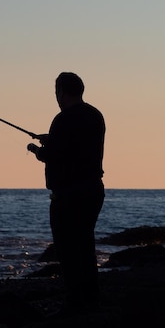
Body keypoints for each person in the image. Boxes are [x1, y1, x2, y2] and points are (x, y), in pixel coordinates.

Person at [27, 72, 105, 315]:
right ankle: (91, 298)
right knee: (85, 245)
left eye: (56, 92)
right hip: (92, 190)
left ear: (61, 91)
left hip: (68, 194)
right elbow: (77, 146)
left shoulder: (62, 119)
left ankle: (75, 302)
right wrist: (52, 140)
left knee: (67, 249)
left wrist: (36, 149)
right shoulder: (95, 115)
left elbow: (54, 155)